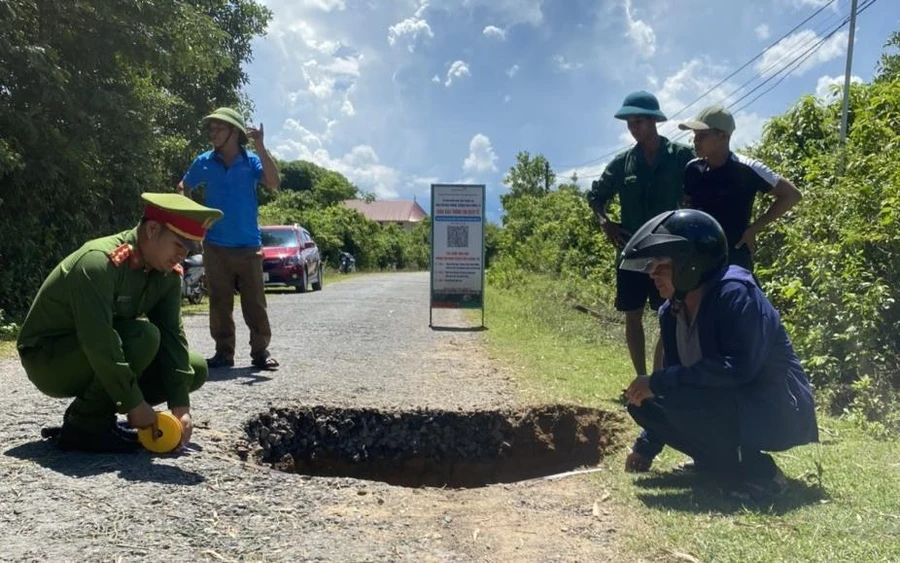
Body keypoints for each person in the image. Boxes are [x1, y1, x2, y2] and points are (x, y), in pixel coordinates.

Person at [618, 209, 818, 501]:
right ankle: (715, 463)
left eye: (660, 265)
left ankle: (762, 473)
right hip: (728, 404)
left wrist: (661, 382)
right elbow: (676, 379)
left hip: (776, 410)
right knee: (644, 404)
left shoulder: (736, 292)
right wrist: (646, 446)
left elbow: (739, 369)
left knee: (674, 392)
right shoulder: (671, 311)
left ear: (690, 263)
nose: (652, 274)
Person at [17, 193, 224, 453]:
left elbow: (173, 336)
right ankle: (83, 426)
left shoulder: (166, 275)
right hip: (49, 361)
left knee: (194, 368)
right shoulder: (99, 262)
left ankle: (100, 414)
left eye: (189, 250)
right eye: (178, 245)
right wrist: (134, 403)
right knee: (143, 337)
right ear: (151, 230)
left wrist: (180, 408)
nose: (182, 256)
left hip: (95, 353)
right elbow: (99, 339)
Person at [587, 90, 695, 377]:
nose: (633, 128)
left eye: (639, 122)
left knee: (670, 314)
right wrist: (605, 222)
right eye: (629, 123)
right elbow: (596, 196)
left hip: (668, 252)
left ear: (654, 121)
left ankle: (659, 378)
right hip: (632, 250)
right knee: (632, 314)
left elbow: (700, 185)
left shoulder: (681, 156)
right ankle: (640, 377)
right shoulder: (622, 164)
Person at [177, 107, 281, 370]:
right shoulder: (204, 161)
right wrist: (191, 218)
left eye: (218, 128)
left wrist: (260, 145)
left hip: (248, 245)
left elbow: (273, 181)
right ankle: (224, 353)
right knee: (219, 303)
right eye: (210, 128)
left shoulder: (251, 162)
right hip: (215, 246)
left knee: (255, 302)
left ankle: (260, 352)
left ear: (234, 132)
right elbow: (183, 186)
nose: (212, 133)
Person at [678, 104, 802, 271]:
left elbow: (791, 195)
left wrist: (754, 229)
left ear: (723, 136)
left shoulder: (746, 168)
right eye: (695, 135)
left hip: (734, 259)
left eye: (702, 135)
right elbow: (688, 205)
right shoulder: (692, 169)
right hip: (698, 257)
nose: (695, 141)